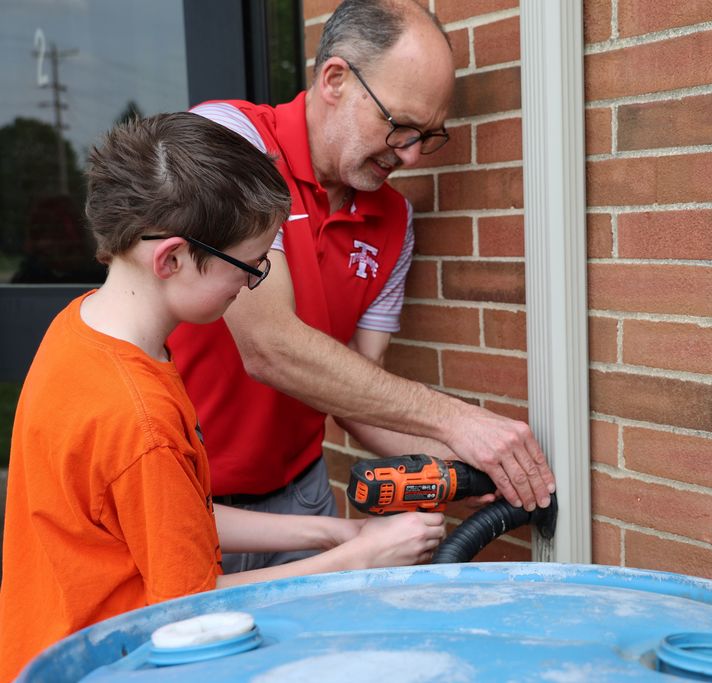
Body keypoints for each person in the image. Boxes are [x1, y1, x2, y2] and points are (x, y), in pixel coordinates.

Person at [0, 113, 445, 679]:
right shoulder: (138, 419)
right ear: (172, 258)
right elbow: (192, 609)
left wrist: (336, 530)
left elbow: (173, 519)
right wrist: (357, 561)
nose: (254, 281)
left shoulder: (84, 331)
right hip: (100, 666)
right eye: (249, 265)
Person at [168, 0, 555, 572]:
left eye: (429, 136)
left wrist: (463, 463)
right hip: (183, 494)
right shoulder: (232, 142)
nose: (412, 155)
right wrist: (459, 421)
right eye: (399, 125)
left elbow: (356, 393)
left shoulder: (395, 222)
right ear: (335, 80)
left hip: (300, 494)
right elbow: (269, 346)